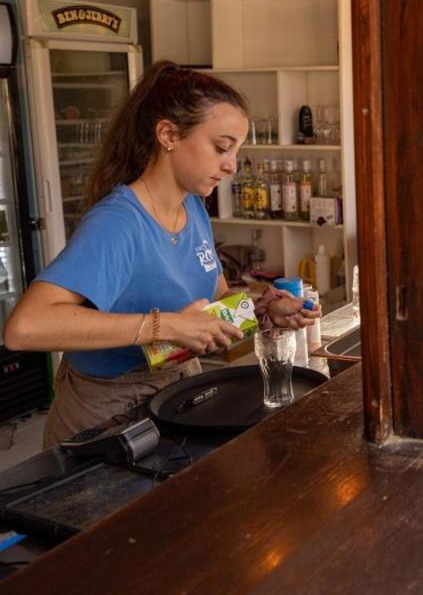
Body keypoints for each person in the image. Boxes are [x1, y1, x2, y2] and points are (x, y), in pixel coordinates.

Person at [6, 61, 318, 448]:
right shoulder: (118, 223)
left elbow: (216, 302)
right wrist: (164, 326)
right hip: (108, 408)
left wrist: (261, 311)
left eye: (236, 151)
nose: (231, 165)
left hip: (179, 389)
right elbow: (25, 327)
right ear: (168, 134)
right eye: (221, 147)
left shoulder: (193, 209)